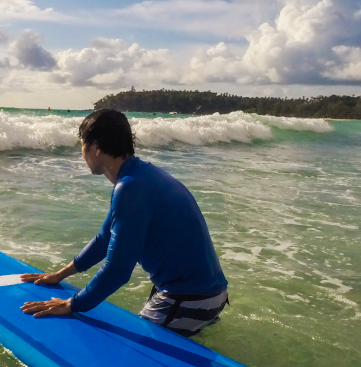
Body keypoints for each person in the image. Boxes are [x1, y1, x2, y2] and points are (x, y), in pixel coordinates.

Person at [20, 109, 228, 336]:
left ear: (96, 148)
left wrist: (71, 305)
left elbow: (118, 271)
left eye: (82, 144)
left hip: (187, 301)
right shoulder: (140, 176)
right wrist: (60, 275)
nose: (81, 152)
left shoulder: (131, 188)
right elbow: (104, 239)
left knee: (130, 361)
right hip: (207, 295)